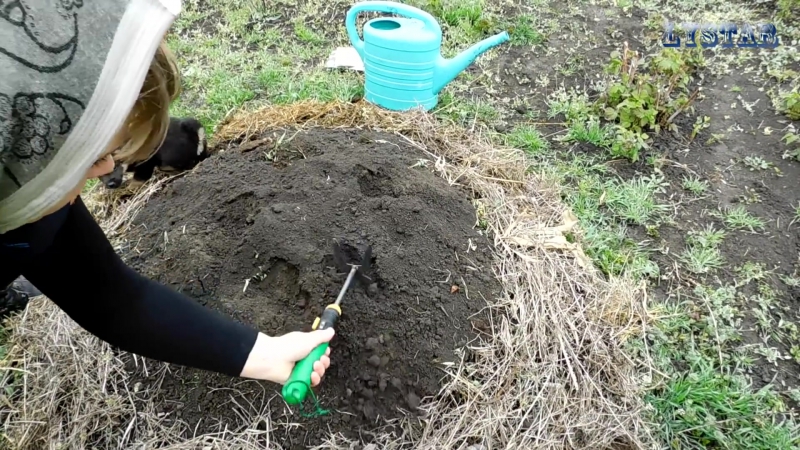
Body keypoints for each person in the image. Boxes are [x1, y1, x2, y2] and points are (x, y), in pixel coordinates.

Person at [0, 1, 333, 387]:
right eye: (93, 158)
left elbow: (113, 297)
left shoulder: (36, 202)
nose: (108, 170)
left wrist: (262, 353)